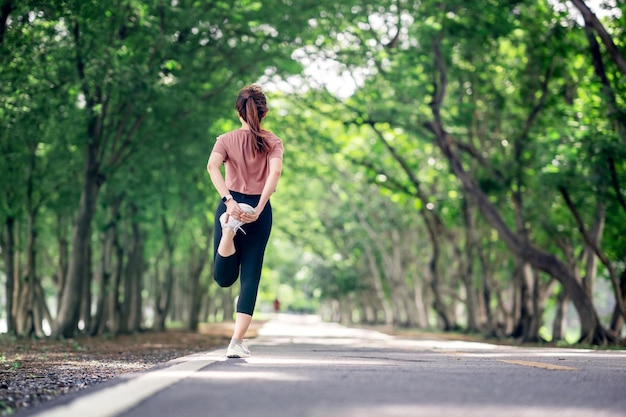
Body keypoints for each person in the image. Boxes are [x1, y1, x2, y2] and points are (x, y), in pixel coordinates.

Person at [206, 84, 283, 358]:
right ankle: (236, 342)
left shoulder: (225, 139)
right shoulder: (273, 141)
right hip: (258, 211)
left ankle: (228, 232)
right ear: (265, 112)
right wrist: (259, 208)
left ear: (237, 110)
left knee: (223, 277)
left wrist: (229, 201)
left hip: (231, 205)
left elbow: (212, 167)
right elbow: (274, 175)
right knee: (250, 277)